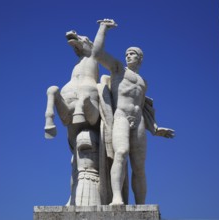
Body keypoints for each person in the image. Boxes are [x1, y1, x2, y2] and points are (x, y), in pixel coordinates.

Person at [93, 19, 174, 205]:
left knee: (139, 167)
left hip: (139, 121)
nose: (128, 56)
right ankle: (117, 198)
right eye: (127, 53)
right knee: (121, 152)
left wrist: (155, 128)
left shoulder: (143, 82)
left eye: (132, 54)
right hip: (120, 116)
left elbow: (144, 106)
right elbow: (97, 53)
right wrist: (103, 28)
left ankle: (141, 206)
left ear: (140, 58)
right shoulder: (119, 69)